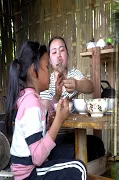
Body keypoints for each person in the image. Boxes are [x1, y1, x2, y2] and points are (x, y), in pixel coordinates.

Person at [5, 41, 87, 180]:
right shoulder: (31, 103)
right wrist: (59, 120)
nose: (50, 72)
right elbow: (37, 157)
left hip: (29, 169)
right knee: (79, 169)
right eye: (47, 67)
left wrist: (57, 96)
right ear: (33, 71)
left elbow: (40, 124)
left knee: (71, 156)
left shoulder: (29, 97)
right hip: (29, 174)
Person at [40, 36, 105, 162]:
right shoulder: (46, 79)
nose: (59, 55)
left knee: (98, 145)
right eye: (54, 52)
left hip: (75, 133)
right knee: (74, 152)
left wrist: (77, 84)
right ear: (49, 59)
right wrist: (57, 96)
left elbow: (90, 87)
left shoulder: (74, 74)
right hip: (55, 136)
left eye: (62, 50)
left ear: (67, 54)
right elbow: (45, 111)